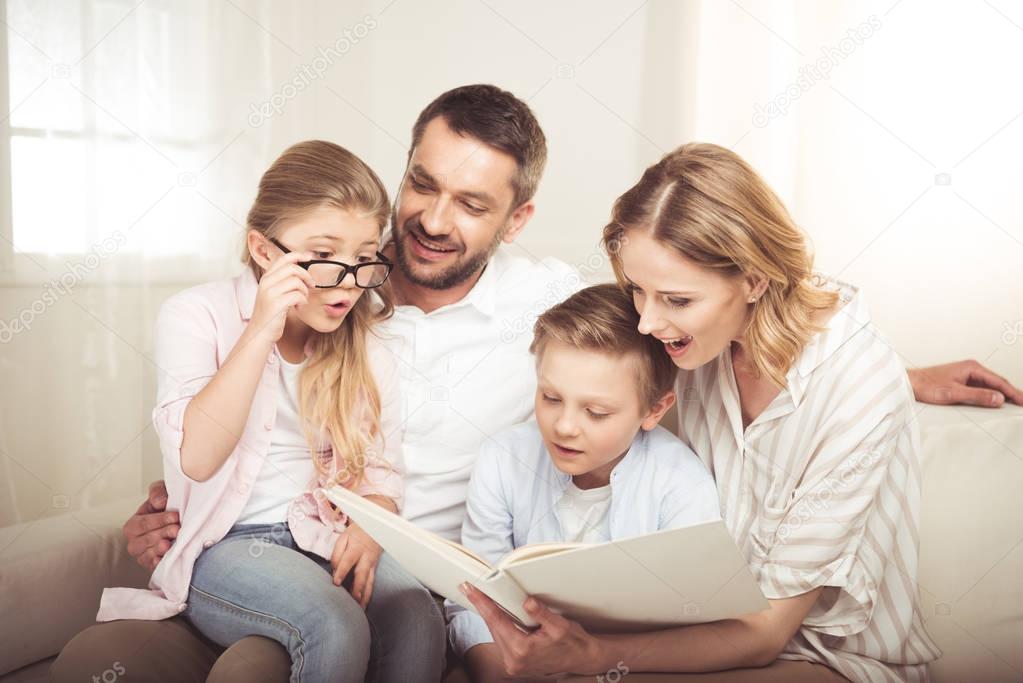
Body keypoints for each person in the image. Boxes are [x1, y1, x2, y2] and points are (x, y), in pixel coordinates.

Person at [54, 84, 1023, 681]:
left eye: (472, 203)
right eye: (422, 185)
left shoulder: (555, 304)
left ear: (516, 221)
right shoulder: (333, 282)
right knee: (128, 661)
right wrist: (187, 498)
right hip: (281, 557)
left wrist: (895, 376)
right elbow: (221, 421)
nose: (431, 218)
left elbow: (685, 343)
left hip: (436, 591)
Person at [462, 143, 947, 682]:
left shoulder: (856, 382)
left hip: (820, 657)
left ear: (754, 280)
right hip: (681, 634)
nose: (645, 323)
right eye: (637, 291)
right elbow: (592, 359)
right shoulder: (697, 343)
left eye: (676, 300)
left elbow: (765, 635)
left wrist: (594, 655)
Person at [86, 140, 445, 683]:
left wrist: (373, 527)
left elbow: (381, 473)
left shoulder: (368, 344)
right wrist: (260, 330)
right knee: (333, 622)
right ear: (264, 250)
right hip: (227, 547)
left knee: (417, 615)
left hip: (326, 534)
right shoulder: (194, 315)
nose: (346, 282)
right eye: (324, 256)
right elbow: (198, 460)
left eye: (363, 257)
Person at [448, 284, 721, 682]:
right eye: (551, 398)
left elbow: (694, 625)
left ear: (654, 409)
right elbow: (475, 599)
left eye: (596, 412)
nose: (564, 427)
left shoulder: (683, 487)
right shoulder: (502, 459)